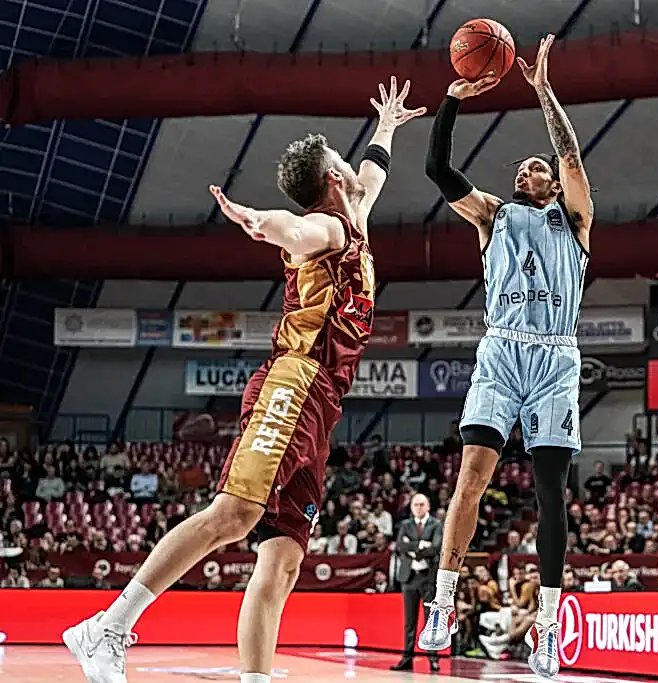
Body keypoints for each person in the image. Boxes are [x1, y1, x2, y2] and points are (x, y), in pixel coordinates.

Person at [62, 77, 425, 683]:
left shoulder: (357, 211)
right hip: (294, 381)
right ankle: (108, 627)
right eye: (344, 162)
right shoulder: (328, 230)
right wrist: (257, 221)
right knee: (231, 514)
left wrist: (386, 125)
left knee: (282, 559)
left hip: (323, 402)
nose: (354, 167)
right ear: (333, 180)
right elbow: (291, 229)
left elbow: (376, 171)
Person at [418, 34, 593, 679]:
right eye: (520, 169)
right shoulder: (492, 216)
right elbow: (438, 171)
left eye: (535, 168)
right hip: (502, 349)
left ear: (552, 181)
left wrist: (543, 90)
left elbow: (570, 152)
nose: (525, 172)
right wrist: (451, 100)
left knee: (552, 494)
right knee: (471, 478)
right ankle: (440, 604)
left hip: (556, 359)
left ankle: (546, 628)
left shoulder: (573, 220)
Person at [391, 494, 442, 673]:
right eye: (415, 505)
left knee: (430, 620)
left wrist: (412, 547)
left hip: (428, 577)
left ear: (428, 506)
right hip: (409, 577)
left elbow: (436, 547)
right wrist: (421, 546)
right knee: (409, 621)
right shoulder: (405, 525)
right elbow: (400, 546)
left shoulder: (436, 525)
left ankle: (433, 657)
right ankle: (407, 657)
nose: (418, 507)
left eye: (421, 504)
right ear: (411, 507)